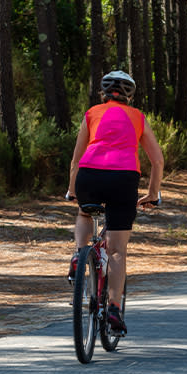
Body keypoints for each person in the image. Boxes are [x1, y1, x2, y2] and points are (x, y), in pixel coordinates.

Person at [65, 70, 163, 333]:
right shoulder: (138, 117)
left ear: (103, 93)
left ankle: (78, 253)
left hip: (89, 175)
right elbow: (157, 161)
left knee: (85, 214)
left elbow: (76, 159)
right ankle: (114, 309)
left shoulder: (91, 114)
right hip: (123, 179)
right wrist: (153, 194)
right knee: (117, 250)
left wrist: (73, 190)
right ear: (130, 95)